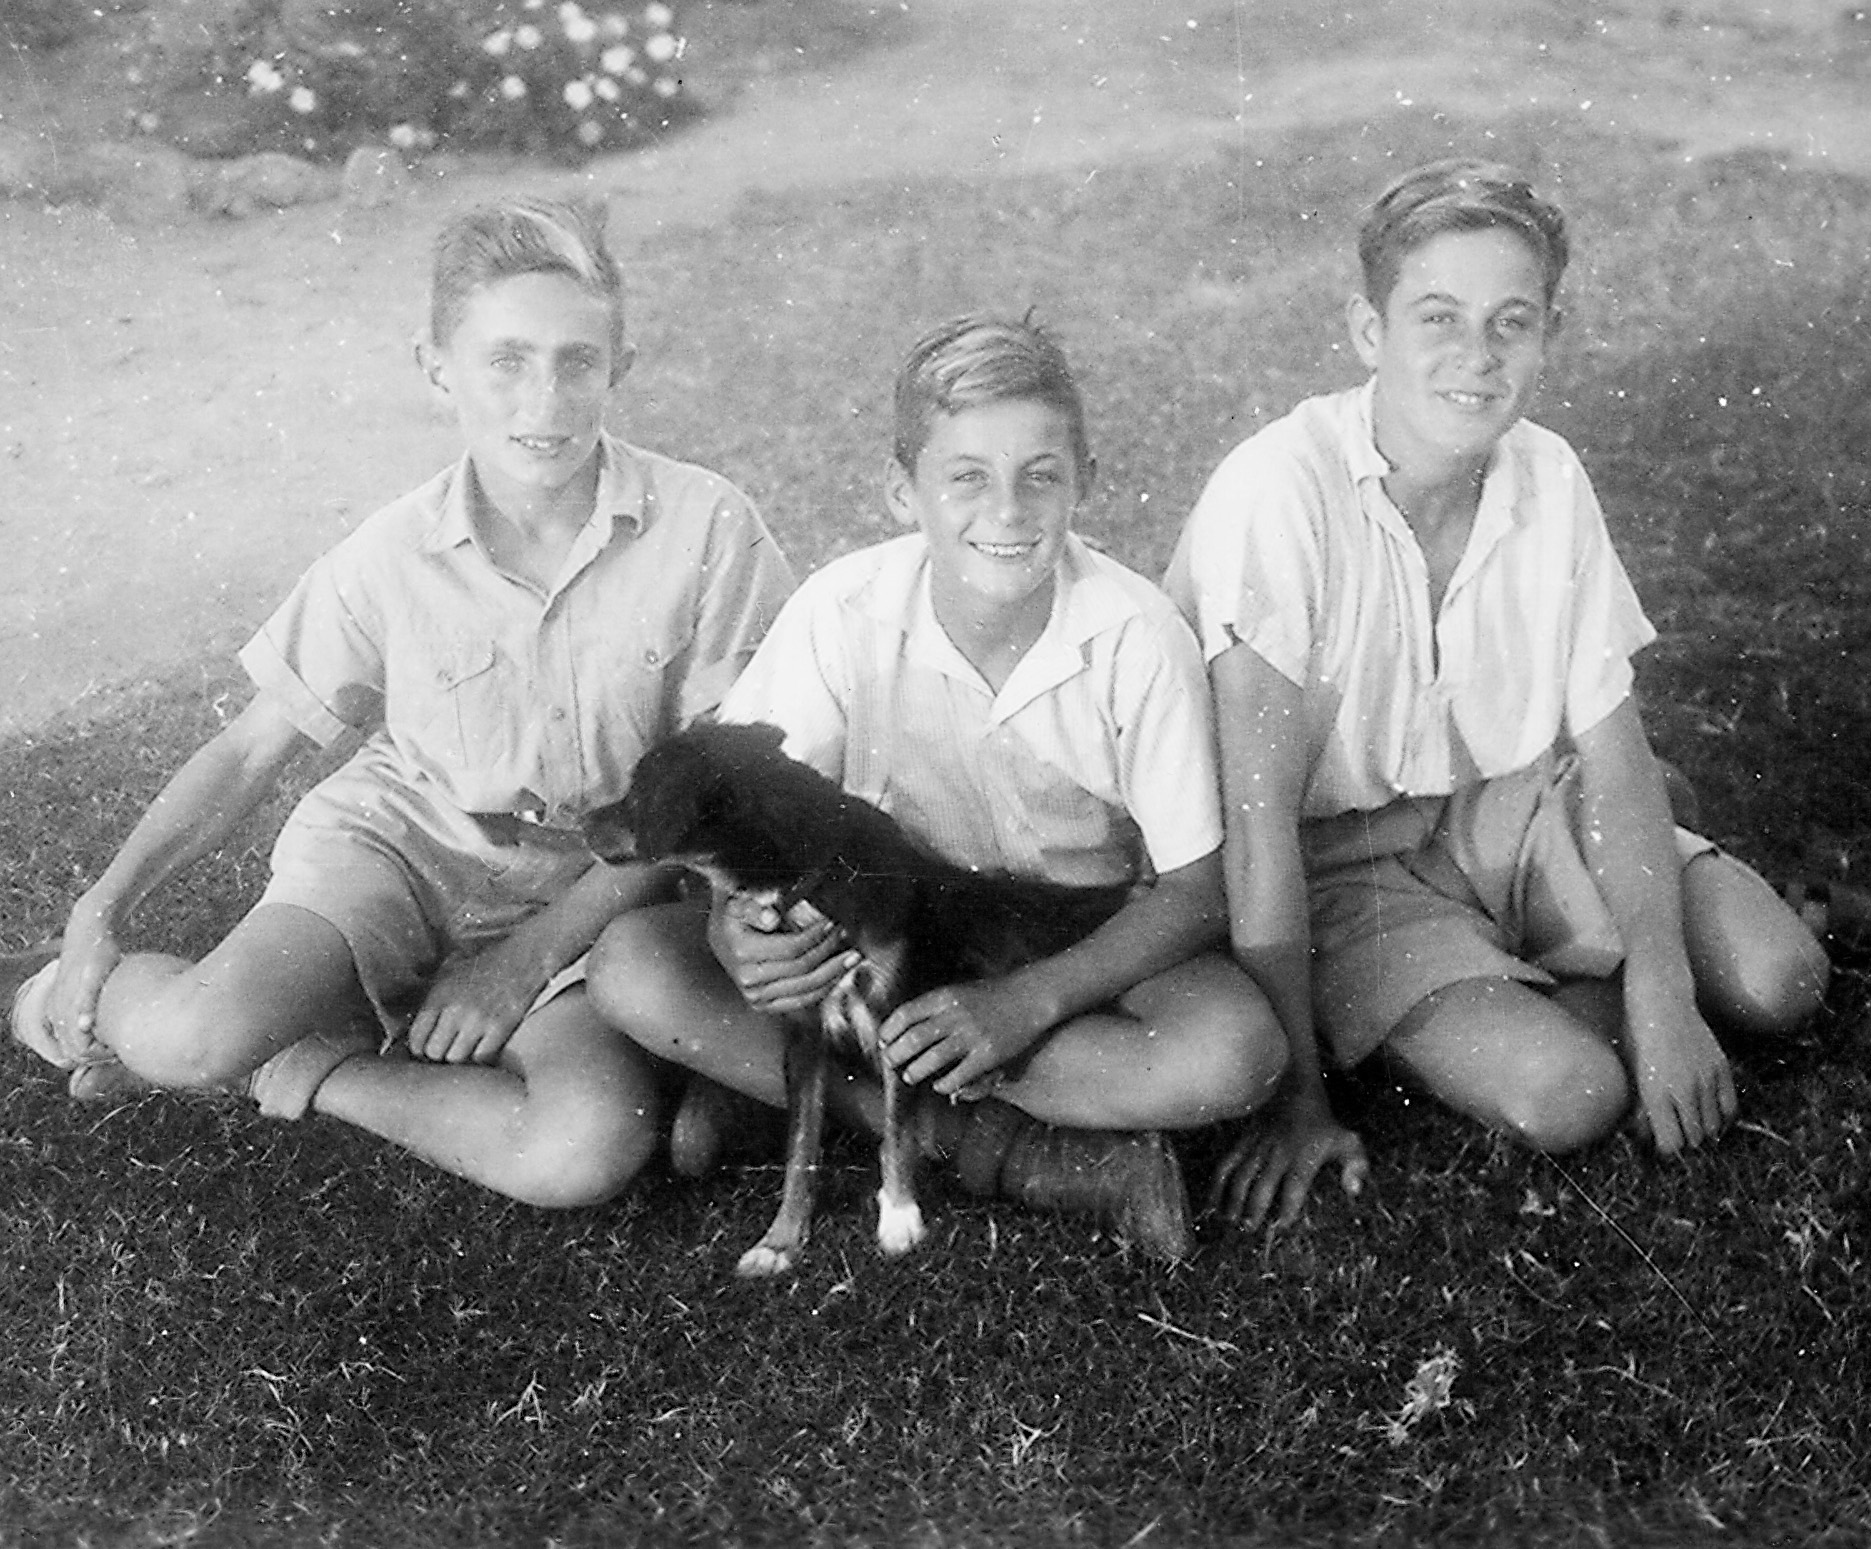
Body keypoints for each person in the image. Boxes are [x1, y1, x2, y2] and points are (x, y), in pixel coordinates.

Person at [5, 194, 794, 1208]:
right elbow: (250, 749)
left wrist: (523, 961)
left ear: (619, 367)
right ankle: (35, 989)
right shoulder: (390, 551)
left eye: (575, 361)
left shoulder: (709, 528)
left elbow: (723, 792)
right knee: (186, 1036)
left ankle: (305, 1069)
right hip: (401, 852)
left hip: (588, 903)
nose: (542, 400)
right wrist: (99, 910)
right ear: (436, 368)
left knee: (580, 1151)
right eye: (505, 360)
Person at [1163, 158, 1831, 1232]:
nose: (1475, 357)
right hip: (1345, 866)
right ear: (1366, 331)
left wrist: (1661, 987)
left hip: (1510, 807)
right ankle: (1550, 961)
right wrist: (1295, 1094)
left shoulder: (1547, 474)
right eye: (1436, 317)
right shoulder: (1275, 492)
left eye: (1509, 322)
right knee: (1570, 1095)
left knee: (1779, 980)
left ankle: (1626, 942)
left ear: (1547, 333)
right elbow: (1253, 829)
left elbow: (1608, 753)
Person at [588, 313, 1290, 1259]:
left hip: (1052, 938)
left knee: (1232, 1050)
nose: (1006, 511)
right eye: (965, 476)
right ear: (899, 489)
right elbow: (731, 800)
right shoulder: (843, 611)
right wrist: (732, 933)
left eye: (1040, 474)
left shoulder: (1134, 634)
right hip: (877, 930)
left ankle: (798, 1101)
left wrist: (1025, 1003)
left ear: (1083, 477)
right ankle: (1008, 1150)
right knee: (634, 963)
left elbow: (1196, 891)